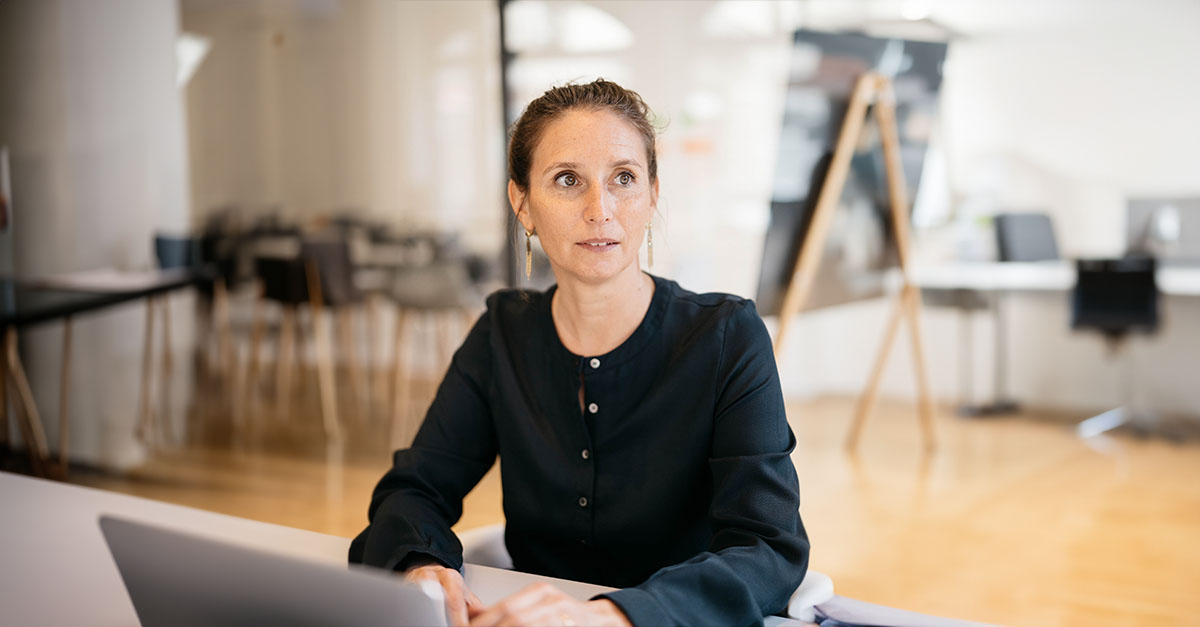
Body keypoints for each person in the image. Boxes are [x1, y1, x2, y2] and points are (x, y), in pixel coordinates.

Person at [349, 79, 809, 627]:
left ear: (652, 195)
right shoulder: (503, 332)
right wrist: (419, 564)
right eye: (568, 180)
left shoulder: (728, 335)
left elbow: (768, 549)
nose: (600, 209)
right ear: (523, 204)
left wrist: (613, 615)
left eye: (624, 179)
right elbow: (415, 488)